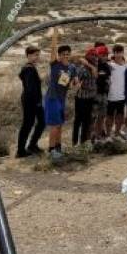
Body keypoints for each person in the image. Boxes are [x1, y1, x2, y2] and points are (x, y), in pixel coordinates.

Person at [44, 29, 79, 162]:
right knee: (54, 125)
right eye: (63, 54)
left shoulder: (71, 68)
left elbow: (71, 84)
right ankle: (51, 149)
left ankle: (58, 148)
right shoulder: (55, 64)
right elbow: (53, 48)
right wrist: (55, 34)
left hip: (61, 99)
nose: (65, 56)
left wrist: (76, 84)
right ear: (59, 55)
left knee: (59, 125)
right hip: (52, 98)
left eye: (67, 54)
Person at [16, 45, 45, 158]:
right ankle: (21, 150)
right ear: (28, 55)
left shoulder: (30, 67)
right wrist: (37, 101)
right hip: (31, 101)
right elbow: (30, 88)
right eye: (35, 55)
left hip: (32, 100)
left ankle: (31, 145)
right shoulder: (29, 68)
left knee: (40, 122)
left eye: (38, 55)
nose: (37, 57)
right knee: (28, 124)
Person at [72, 48, 97, 146]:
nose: (94, 57)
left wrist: (88, 64)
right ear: (87, 56)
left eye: (95, 55)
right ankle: (75, 142)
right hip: (81, 98)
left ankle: (83, 141)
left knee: (87, 120)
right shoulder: (82, 69)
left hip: (90, 98)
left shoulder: (93, 67)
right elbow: (75, 82)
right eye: (92, 55)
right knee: (78, 120)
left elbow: (95, 74)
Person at [106, 44, 127, 140]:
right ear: (113, 53)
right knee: (109, 117)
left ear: (123, 53)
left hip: (122, 96)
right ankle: (108, 135)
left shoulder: (126, 65)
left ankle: (117, 134)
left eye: (120, 52)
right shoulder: (109, 65)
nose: (118, 55)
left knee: (120, 117)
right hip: (111, 96)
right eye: (116, 53)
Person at [92, 43, 111, 141]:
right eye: (103, 55)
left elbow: (107, 79)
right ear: (98, 55)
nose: (105, 57)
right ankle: (91, 136)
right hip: (95, 94)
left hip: (104, 94)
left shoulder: (107, 66)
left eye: (106, 55)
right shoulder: (94, 65)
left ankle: (98, 135)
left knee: (102, 116)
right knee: (93, 116)